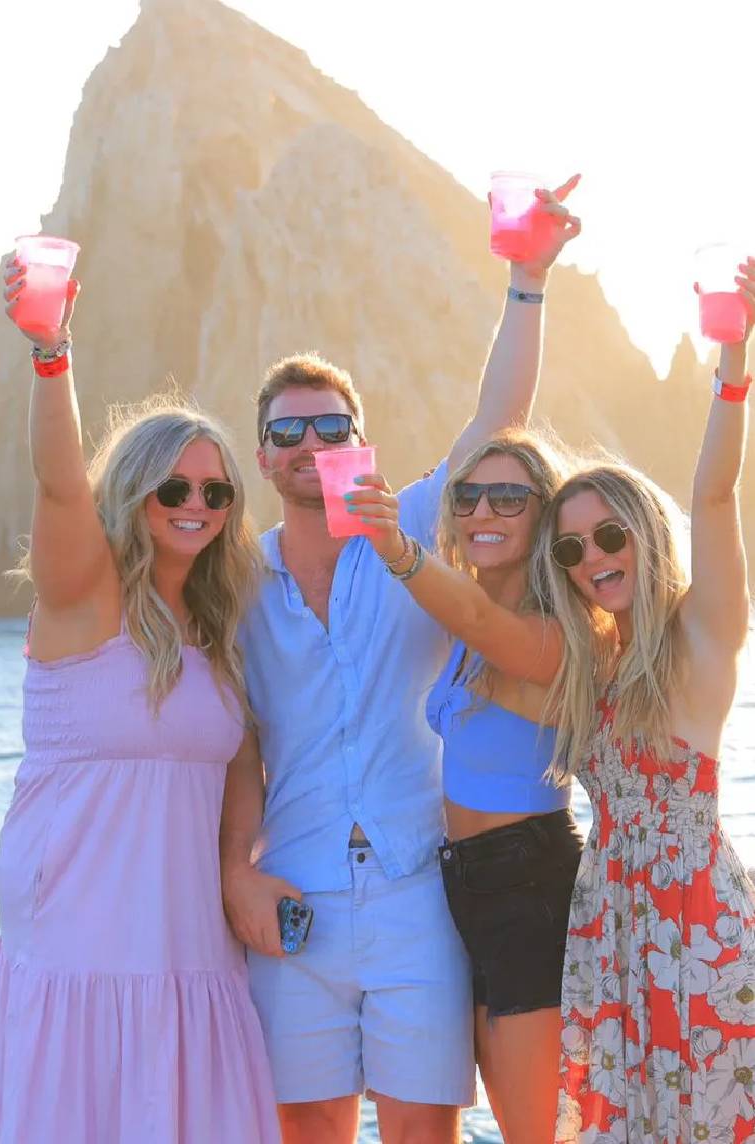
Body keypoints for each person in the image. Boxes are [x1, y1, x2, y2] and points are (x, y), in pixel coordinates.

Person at [356, 254, 755, 1143]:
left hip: (692, 911)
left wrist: (732, 367)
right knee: (614, 1124)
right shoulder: (595, 661)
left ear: (646, 534)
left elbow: (717, 492)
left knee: (706, 1119)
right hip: (603, 909)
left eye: (609, 536)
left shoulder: (701, 638)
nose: (593, 559)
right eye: (571, 549)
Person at [220, 179, 582, 1143]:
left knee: (426, 1133)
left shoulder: (411, 530)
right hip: (296, 897)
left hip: (421, 888)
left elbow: (496, 417)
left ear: (359, 443)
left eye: (331, 427)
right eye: (289, 432)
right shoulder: (234, 583)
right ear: (264, 457)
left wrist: (526, 278)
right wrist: (232, 872)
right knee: (311, 1130)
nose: (312, 444)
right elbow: (228, 745)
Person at [0, 262, 280, 1143]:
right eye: (174, 488)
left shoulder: (218, 629)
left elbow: (241, 766)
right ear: (135, 490)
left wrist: (237, 868)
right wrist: (51, 354)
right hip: (82, 939)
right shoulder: (87, 597)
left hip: (189, 945)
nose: (197, 506)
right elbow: (61, 486)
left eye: (217, 491)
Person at [353, 427, 585, 1144]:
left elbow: (483, 620)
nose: (484, 511)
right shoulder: (460, 626)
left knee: (537, 1133)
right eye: (469, 496)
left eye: (509, 496)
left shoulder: (558, 633)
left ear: (544, 514)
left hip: (529, 888)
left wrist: (397, 549)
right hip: (465, 890)